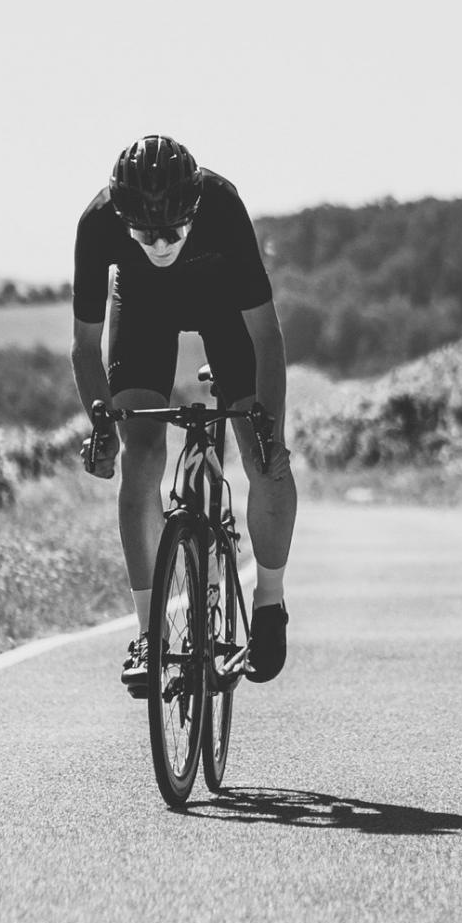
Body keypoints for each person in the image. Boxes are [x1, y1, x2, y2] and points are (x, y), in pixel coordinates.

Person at [71, 134, 297, 697]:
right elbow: (84, 348)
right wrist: (103, 426)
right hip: (143, 307)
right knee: (141, 455)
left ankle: (269, 602)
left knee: (264, 457)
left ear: (194, 210)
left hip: (223, 304)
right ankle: (148, 632)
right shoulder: (97, 224)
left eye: (174, 228)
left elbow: (265, 337)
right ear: (122, 218)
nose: (162, 241)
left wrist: (271, 426)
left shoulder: (222, 206)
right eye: (145, 233)